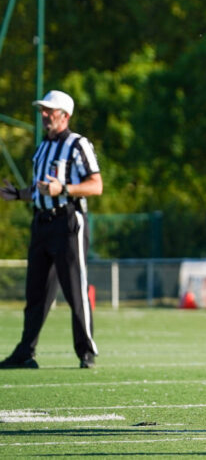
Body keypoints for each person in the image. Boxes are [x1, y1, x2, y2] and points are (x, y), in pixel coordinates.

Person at [0, 90, 103, 369]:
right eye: (42, 111)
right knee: (36, 292)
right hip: (41, 222)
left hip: (67, 223)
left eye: (50, 111)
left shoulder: (78, 144)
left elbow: (96, 185)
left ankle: (86, 351)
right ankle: (25, 352)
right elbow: (40, 189)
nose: (44, 116)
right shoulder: (43, 147)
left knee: (75, 290)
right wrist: (19, 194)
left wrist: (64, 189)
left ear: (65, 115)